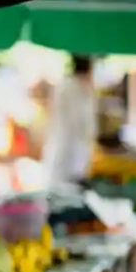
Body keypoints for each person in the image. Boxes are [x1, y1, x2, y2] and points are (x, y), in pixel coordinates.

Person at [42, 55, 98, 185]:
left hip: (67, 149)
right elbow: (80, 122)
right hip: (67, 150)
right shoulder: (73, 88)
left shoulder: (70, 86)